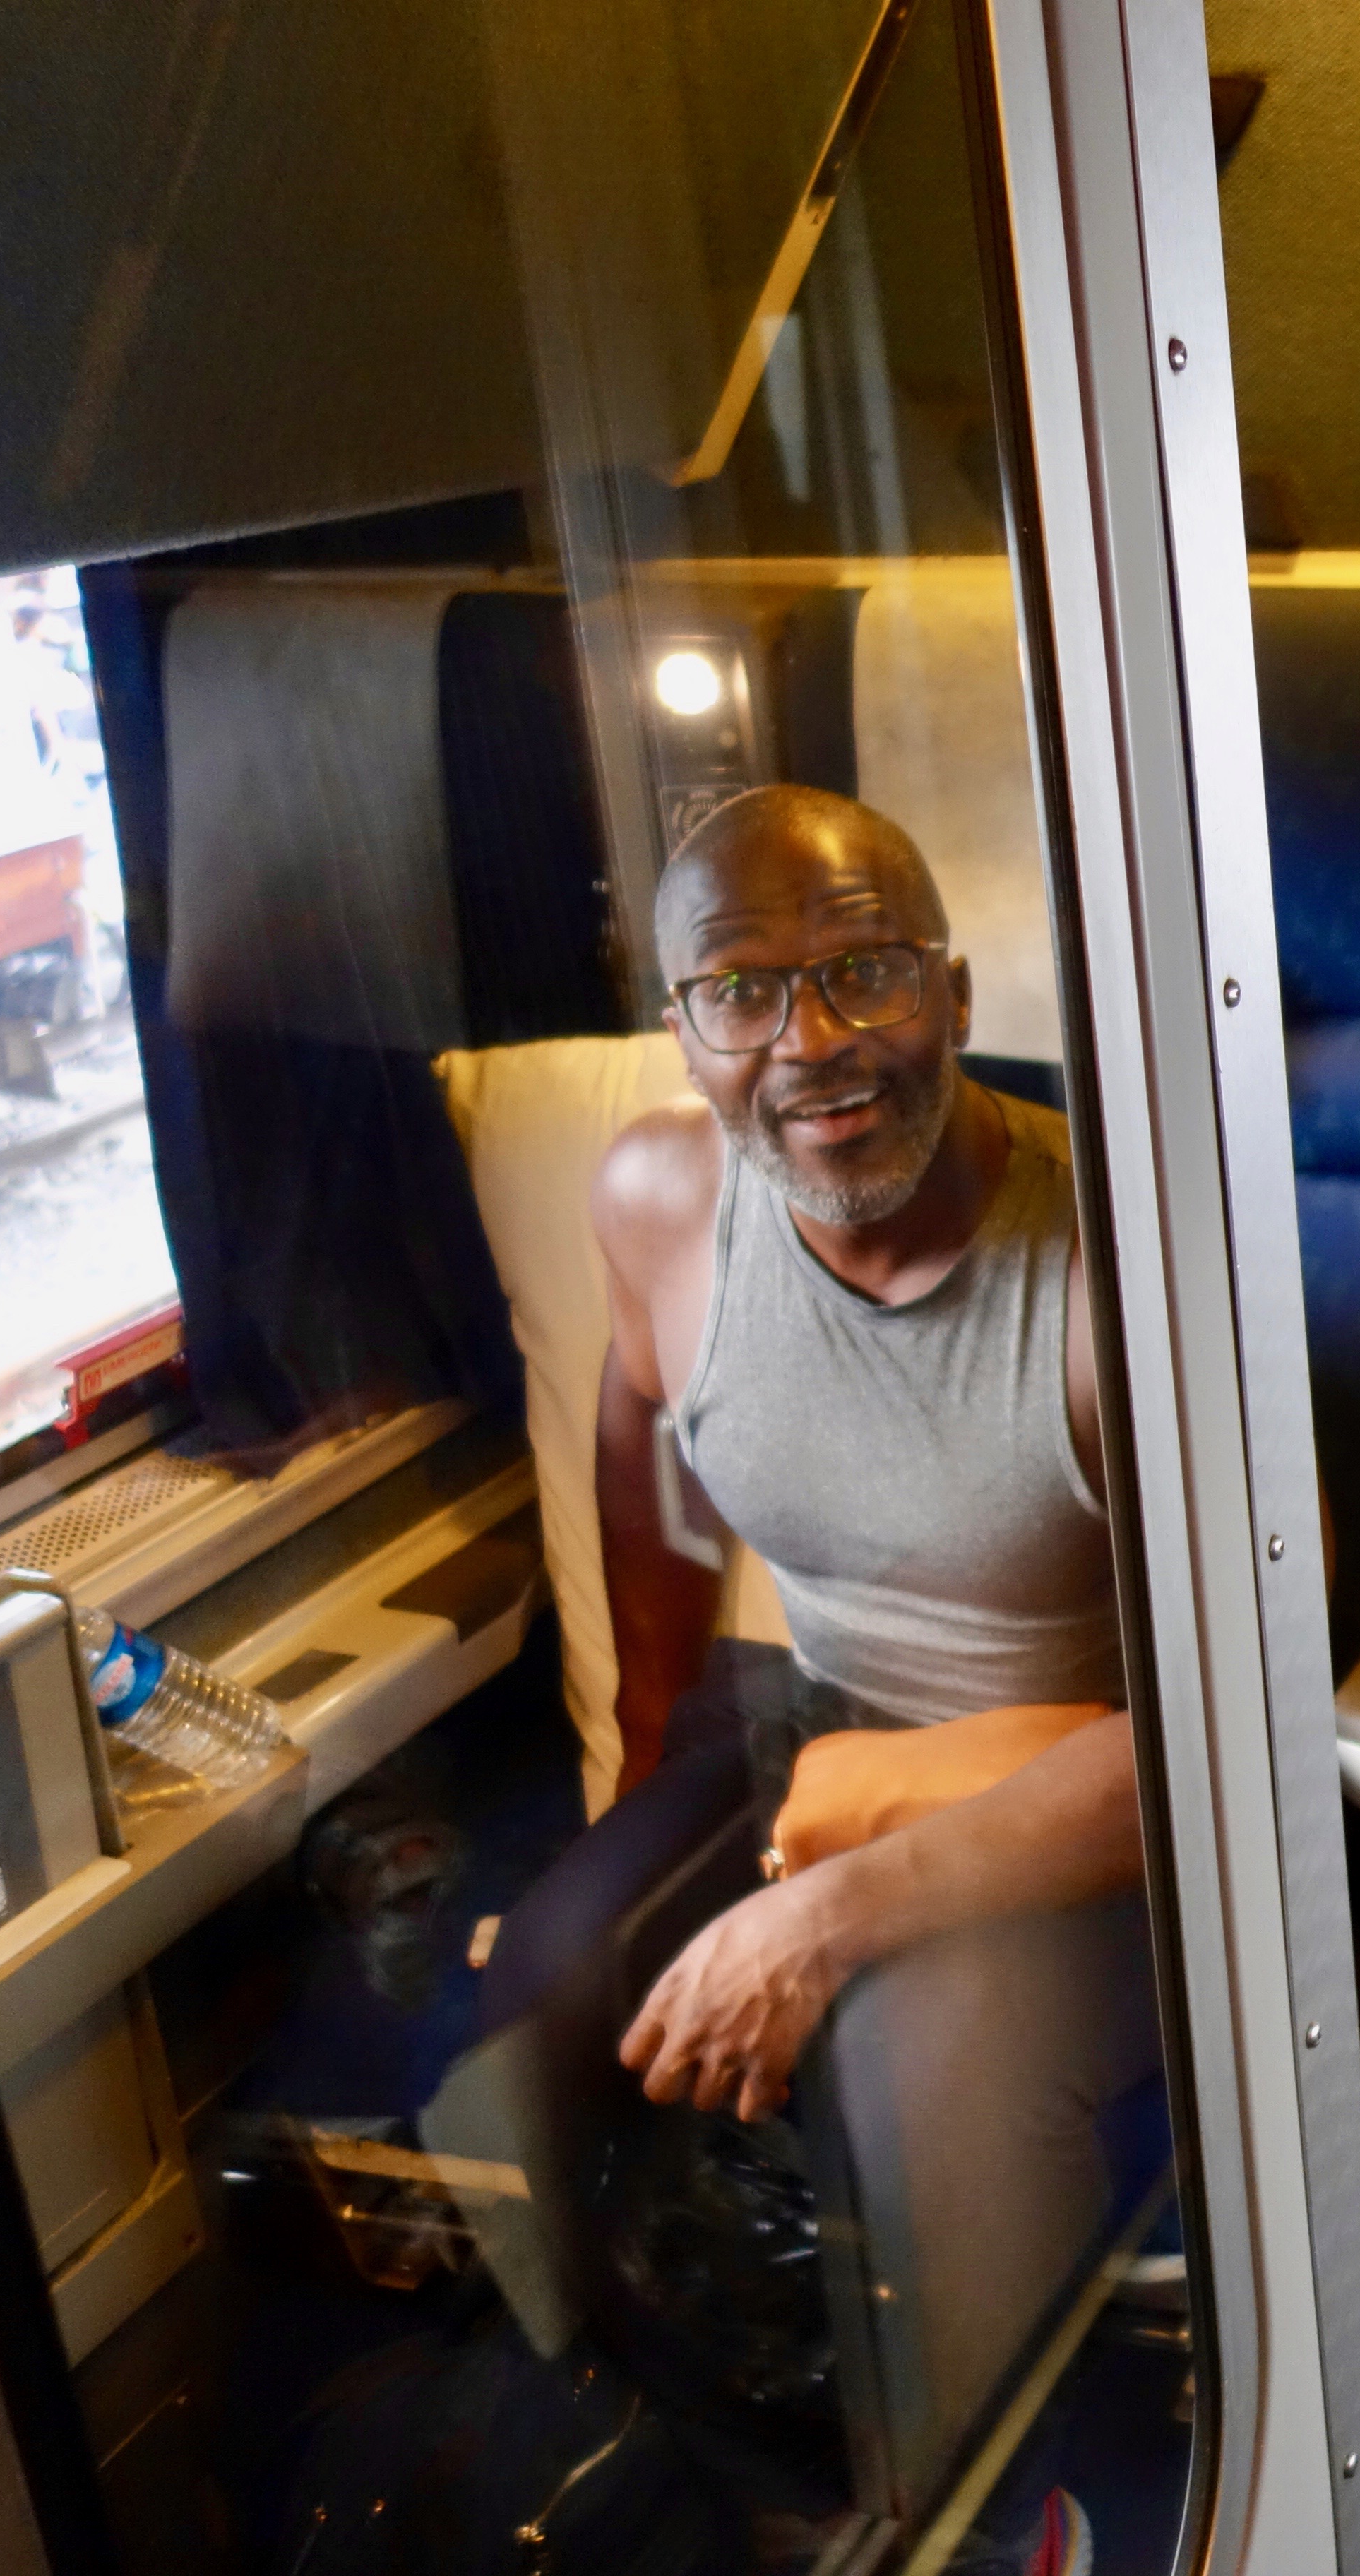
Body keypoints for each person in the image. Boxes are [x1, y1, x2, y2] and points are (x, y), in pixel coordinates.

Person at [578, 781, 1148, 2125]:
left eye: (863, 975)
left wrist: (822, 1919)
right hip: (817, 1728)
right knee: (556, 1990)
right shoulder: (657, 1203)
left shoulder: (1123, 1274)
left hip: (1091, 1803)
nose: (810, 1043)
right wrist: (640, 1757)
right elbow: (641, 1479)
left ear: (953, 997)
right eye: (739, 991)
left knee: (909, 2105)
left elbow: (1244, 1720)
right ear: (683, 1034)